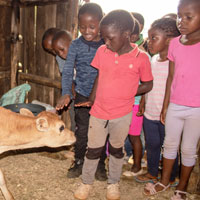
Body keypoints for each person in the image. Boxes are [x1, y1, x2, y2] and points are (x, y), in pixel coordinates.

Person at [73, 10, 153, 200]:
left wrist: (129, 91)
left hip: (122, 113)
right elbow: (99, 76)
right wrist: (92, 99)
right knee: (93, 149)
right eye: (104, 38)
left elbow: (148, 84)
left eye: (109, 38)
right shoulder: (103, 51)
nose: (105, 42)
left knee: (117, 149)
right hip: (99, 111)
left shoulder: (140, 58)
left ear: (126, 34)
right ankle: (86, 182)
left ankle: (113, 183)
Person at [143, 0, 200, 199]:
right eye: (179, 16)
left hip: (197, 109)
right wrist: (166, 106)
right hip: (176, 104)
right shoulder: (175, 43)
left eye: (188, 17)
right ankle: (164, 181)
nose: (181, 21)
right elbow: (171, 77)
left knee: (188, 149)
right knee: (170, 144)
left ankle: (182, 187)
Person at [55, 3, 108, 181]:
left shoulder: (108, 44)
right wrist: (66, 92)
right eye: (82, 26)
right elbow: (68, 70)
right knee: (82, 130)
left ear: (101, 23)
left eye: (92, 26)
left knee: (101, 131)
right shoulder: (76, 45)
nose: (86, 30)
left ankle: (100, 164)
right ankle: (78, 161)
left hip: (104, 96)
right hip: (83, 95)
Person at [135, 18, 180, 186]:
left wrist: (167, 108)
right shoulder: (153, 60)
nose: (149, 42)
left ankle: (171, 176)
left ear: (169, 40)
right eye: (149, 37)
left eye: (154, 38)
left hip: (167, 114)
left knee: (169, 146)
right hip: (150, 112)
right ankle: (152, 173)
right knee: (152, 144)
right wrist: (143, 101)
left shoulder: (174, 63)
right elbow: (149, 83)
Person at [123, 19, 145, 177]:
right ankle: (120, 158)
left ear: (134, 35)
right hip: (122, 103)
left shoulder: (142, 57)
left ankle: (137, 165)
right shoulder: (121, 55)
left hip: (135, 104)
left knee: (134, 136)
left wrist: (143, 102)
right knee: (120, 133)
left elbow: (147, 83)